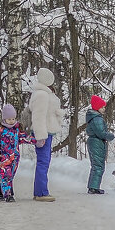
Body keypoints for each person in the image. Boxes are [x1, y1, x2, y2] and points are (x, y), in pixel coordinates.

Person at [29, 67, 65, 202]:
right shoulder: (42, 95)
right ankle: (41, 192)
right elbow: (38, 116)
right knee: (43, 162)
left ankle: (40, 191)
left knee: (44, 162)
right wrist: (41, 135)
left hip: (47, 132)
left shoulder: (44, 93)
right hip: (43, 133)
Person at [0, 103, 34, 202]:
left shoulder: (17, 129)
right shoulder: (0, 130)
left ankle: (0, 192)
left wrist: (36, 141)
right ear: (4, 119)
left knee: (10, 176)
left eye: (13, 119)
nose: (11, 121)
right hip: (3, 158)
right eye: (9, 119)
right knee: (6, 175)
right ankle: (8, 195)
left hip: (15, 157)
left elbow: (24, 138)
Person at [86, 95, 115, 194]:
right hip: (97, 143)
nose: (104, 109)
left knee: (96, 165)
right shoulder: (97, 119)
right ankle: (94, 187)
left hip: (95, 142)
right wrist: (110, 136)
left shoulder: (93, 117)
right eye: (102, 107)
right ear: (97, 107)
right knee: (98, 165)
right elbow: (101, 133)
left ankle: (93, 186)